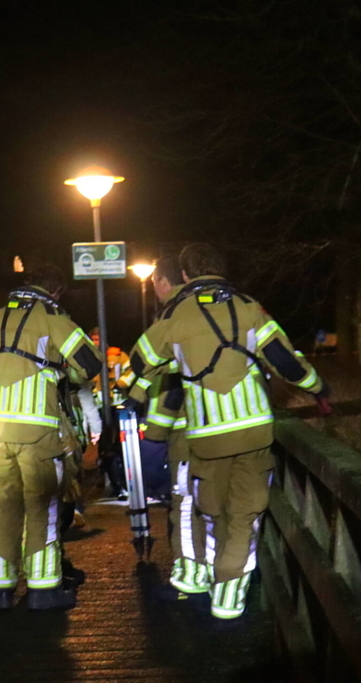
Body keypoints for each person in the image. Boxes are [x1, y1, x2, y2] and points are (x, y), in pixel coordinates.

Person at [127, 244, 330, 620]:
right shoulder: (250, 307)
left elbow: (139, 363)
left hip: (206, 438)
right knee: (245, 515)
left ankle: (204, 576)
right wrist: (319, 390)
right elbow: (287, 361)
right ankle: (229, 598)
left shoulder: (175, 317)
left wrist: (168, 370)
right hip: (254, 432)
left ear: (185, 275)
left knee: (211, 511)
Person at [0, 265, 102, 611]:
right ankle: (43, 590)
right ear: (56, 293)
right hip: (39, 435)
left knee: (4, 511)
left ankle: (0, 590)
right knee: (43, 510)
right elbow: (90, 363)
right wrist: (62, 372)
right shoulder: (52, 318)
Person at [136, 255, 208, 600]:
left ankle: (190, 576)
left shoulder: (173, 315)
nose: (154, 291)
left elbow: (167, 379)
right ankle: (221, 574)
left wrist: (153, 433)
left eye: (153, 284)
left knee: (184, 504)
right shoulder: (225, 307)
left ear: (166, 282)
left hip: (186, 431)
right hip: (229, 425)